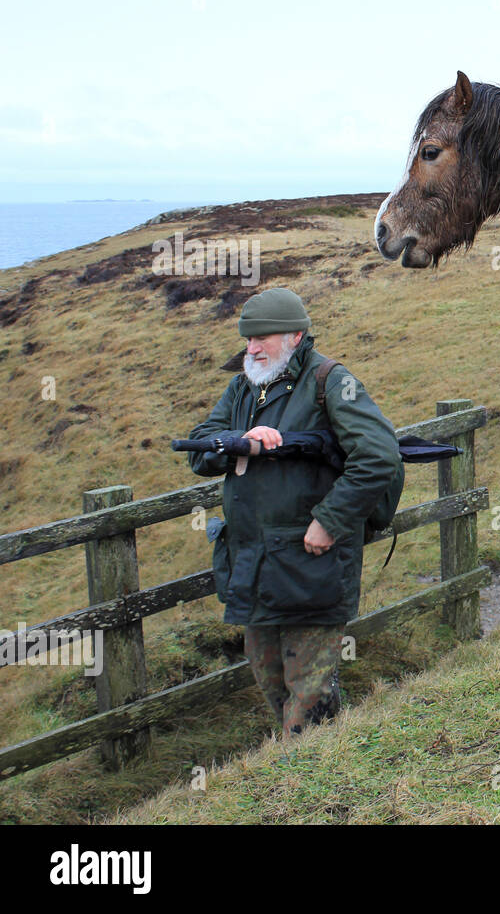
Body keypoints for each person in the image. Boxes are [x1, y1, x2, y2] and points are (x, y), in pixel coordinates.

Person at [187, 287, 401, 736]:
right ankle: (304, 779)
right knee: (274, 688)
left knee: (309, 705)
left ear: (296, 336)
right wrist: (244, 439)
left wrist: (330, 521)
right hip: (253, 566)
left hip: (311, 564)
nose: (252, 347)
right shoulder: (244, 385)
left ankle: (318, 791)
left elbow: (379, 456)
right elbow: (200, 448)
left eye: (263, 337)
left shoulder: (331, 380)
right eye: (248, 338)